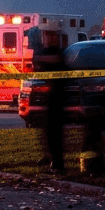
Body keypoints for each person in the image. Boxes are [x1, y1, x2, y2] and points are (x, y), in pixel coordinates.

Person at [32, 29, 66, 173]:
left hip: (56, 98)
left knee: (54, 132)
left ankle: (57, 163)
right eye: (46, 36)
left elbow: (39, 66)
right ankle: (50, 156)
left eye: (49, 36)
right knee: (47, 131)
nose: (47, 38)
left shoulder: (57, 54)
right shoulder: (58, 53)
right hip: (46, 98)